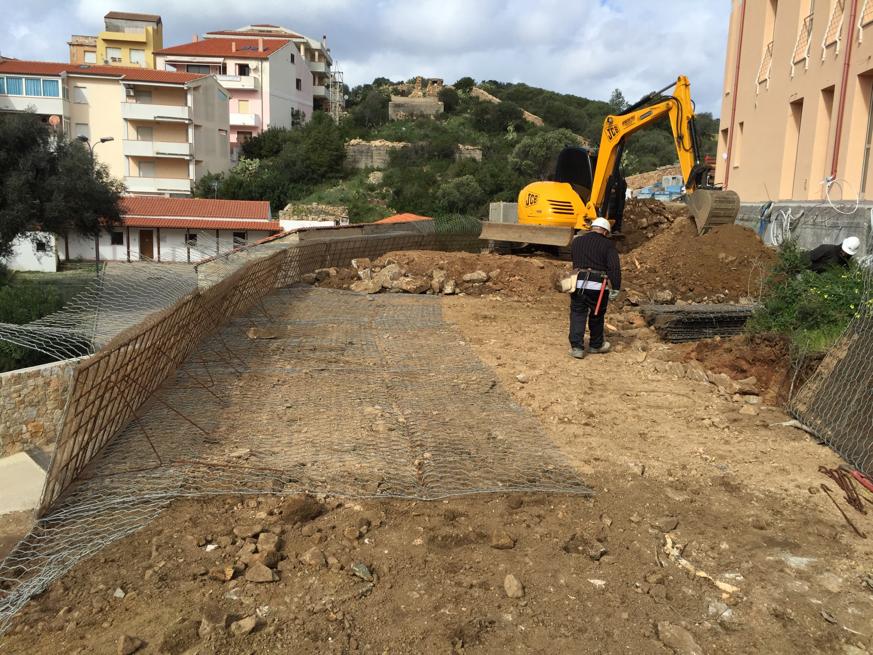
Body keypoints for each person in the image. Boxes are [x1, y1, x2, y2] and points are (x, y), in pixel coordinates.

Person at [569, 217, 621, 359]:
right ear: (604, 232)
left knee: (577, 314)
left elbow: (575, 261)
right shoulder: (607, 245)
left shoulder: (577, 241)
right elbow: (614, 267)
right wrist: (616, 286)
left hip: (577, 284)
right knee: (597, 315)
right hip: (598, 286)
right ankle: (595, 345)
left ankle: (577, 348)